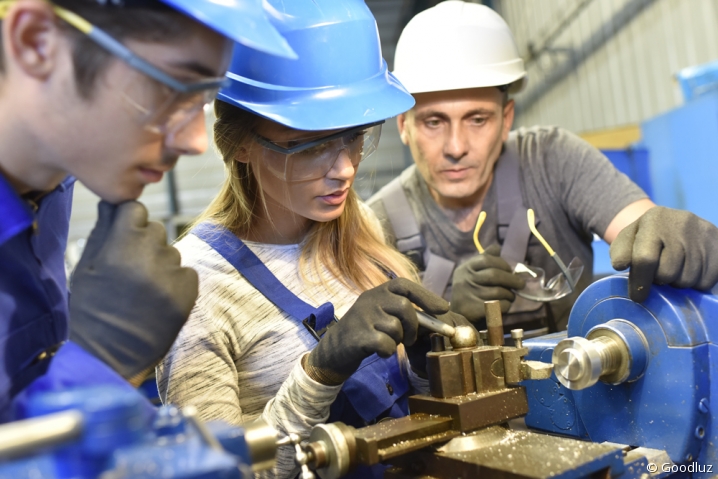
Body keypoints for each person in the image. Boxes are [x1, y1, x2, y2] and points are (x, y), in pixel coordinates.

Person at [156, 1, 470, 477]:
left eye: (353, 137)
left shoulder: (358, 225)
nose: (344, 168)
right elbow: (219, 471)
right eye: (312, 145)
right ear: (240, 143)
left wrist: (428, 366)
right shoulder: (194, 286)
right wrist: (318, 373)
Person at [0, 0, 296, 421]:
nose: (197, 141)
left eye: (204, 99)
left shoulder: (52, 184)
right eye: (173, 89)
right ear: (37, 42)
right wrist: (96, 367)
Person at [367, 0, 718, 334]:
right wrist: (442, 320)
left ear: (506, 119)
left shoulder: (552, 160)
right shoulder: (378, 225)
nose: (456, 147)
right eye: (433, 122)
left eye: (477, 119)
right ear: (403, 125)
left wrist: (675, 240)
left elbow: (642, 232)